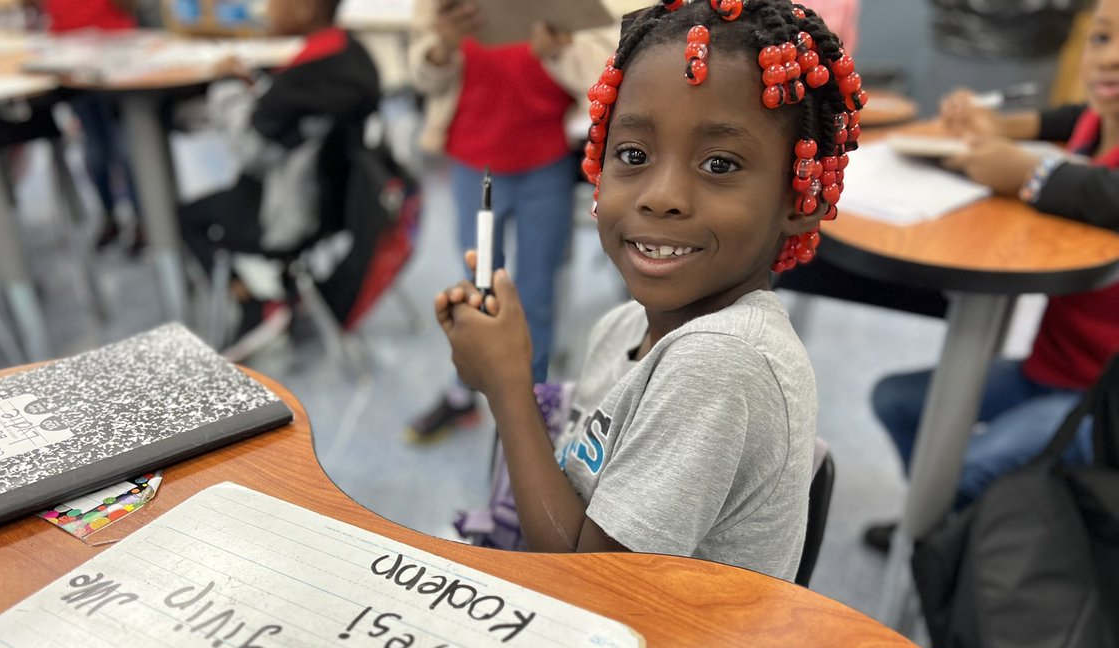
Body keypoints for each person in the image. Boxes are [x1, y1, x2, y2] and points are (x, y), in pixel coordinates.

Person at [428, 0, 867, 580]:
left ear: (798, 199)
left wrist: (509, 384)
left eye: (719, 164)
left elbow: (593, 590)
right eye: (632, 155)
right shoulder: (625, 328)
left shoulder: (720, 364)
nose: (661, 196)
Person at [862, 0, 1119, 552]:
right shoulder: (1097, 122)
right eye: (1101, 39)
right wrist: (994, 124)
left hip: (1098, 401)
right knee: (896, 401)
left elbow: (1100, 194)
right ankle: (949, 532)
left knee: (966, 466)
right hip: (1048, 367)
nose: (1111, 60)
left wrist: (1029, 174)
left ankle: (947, 539)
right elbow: (1064, 118)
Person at [403, 0, 620, 442]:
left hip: (545, 162)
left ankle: (529, 406)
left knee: (536, 294)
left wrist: (558, 50)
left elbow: (601, 74)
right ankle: (465, 393)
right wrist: (442, 45)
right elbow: (422, 76)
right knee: (479, 286)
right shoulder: (445, 8)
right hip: (474, 162)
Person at [177, 0, 380, 361]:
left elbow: (250, 149)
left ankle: (253, 307)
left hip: (286, 215)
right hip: (339, 204)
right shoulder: (353, 55)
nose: (265, 9)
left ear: (305, 9)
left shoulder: (297, 82)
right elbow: (292, 124)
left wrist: (226, 86)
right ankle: (288, 294)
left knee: (184, 218)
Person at [40, 0, 144, 252]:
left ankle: (136, 219)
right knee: (102, 147)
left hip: (109, 53)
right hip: (75, 56)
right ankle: (119, 216)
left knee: (116, 146)